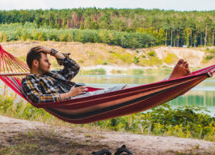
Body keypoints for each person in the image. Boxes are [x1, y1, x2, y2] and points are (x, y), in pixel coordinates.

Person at [21, 46, 191, 103]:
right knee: (122, 91)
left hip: (84, 97)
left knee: (123, 89)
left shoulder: (54, 75)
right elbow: (37, 99)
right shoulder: (29, 80)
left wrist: (52, 52)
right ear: (35, 63)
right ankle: (169, 83)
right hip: (73, 102)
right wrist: (68, 95)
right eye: (46, 60)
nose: (50, 63)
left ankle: (169, 85)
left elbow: (74, 68)